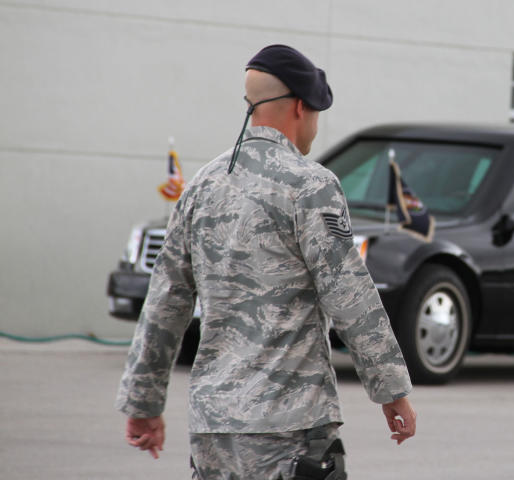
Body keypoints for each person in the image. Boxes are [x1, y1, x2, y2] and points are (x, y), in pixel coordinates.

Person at [116, 44, 416, 479]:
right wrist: (392, 391)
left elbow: (166, 301)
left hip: (213, 427)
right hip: (288, 427)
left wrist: (143, 403)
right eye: (315, 112)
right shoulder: (310, 184)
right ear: (300, 106)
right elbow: (349, 294)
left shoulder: (202, 186)